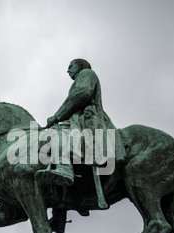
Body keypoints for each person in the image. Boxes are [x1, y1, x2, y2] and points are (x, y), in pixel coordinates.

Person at [36, 58, 126, 187]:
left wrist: (57, 116)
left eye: (71, 66)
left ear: (80, 66)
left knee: (57, 133)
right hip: (79, 117)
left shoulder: (86, 73)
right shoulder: (82, 77)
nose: (68, 70)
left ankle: (65, 168)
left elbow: (82, 93)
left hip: (87, 117)